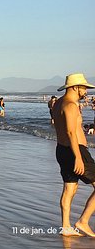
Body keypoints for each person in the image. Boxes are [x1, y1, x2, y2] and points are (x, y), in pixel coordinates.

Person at [51, 73, 95, 237]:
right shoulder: (70, 105)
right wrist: (78, 156)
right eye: (84, 88)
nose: (86, 91)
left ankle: (66, 227)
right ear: (75, 87)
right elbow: (70, 132)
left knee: (70, 187)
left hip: (61, 150)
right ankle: (83, 222)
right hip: (76, 150)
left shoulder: (58, 104)